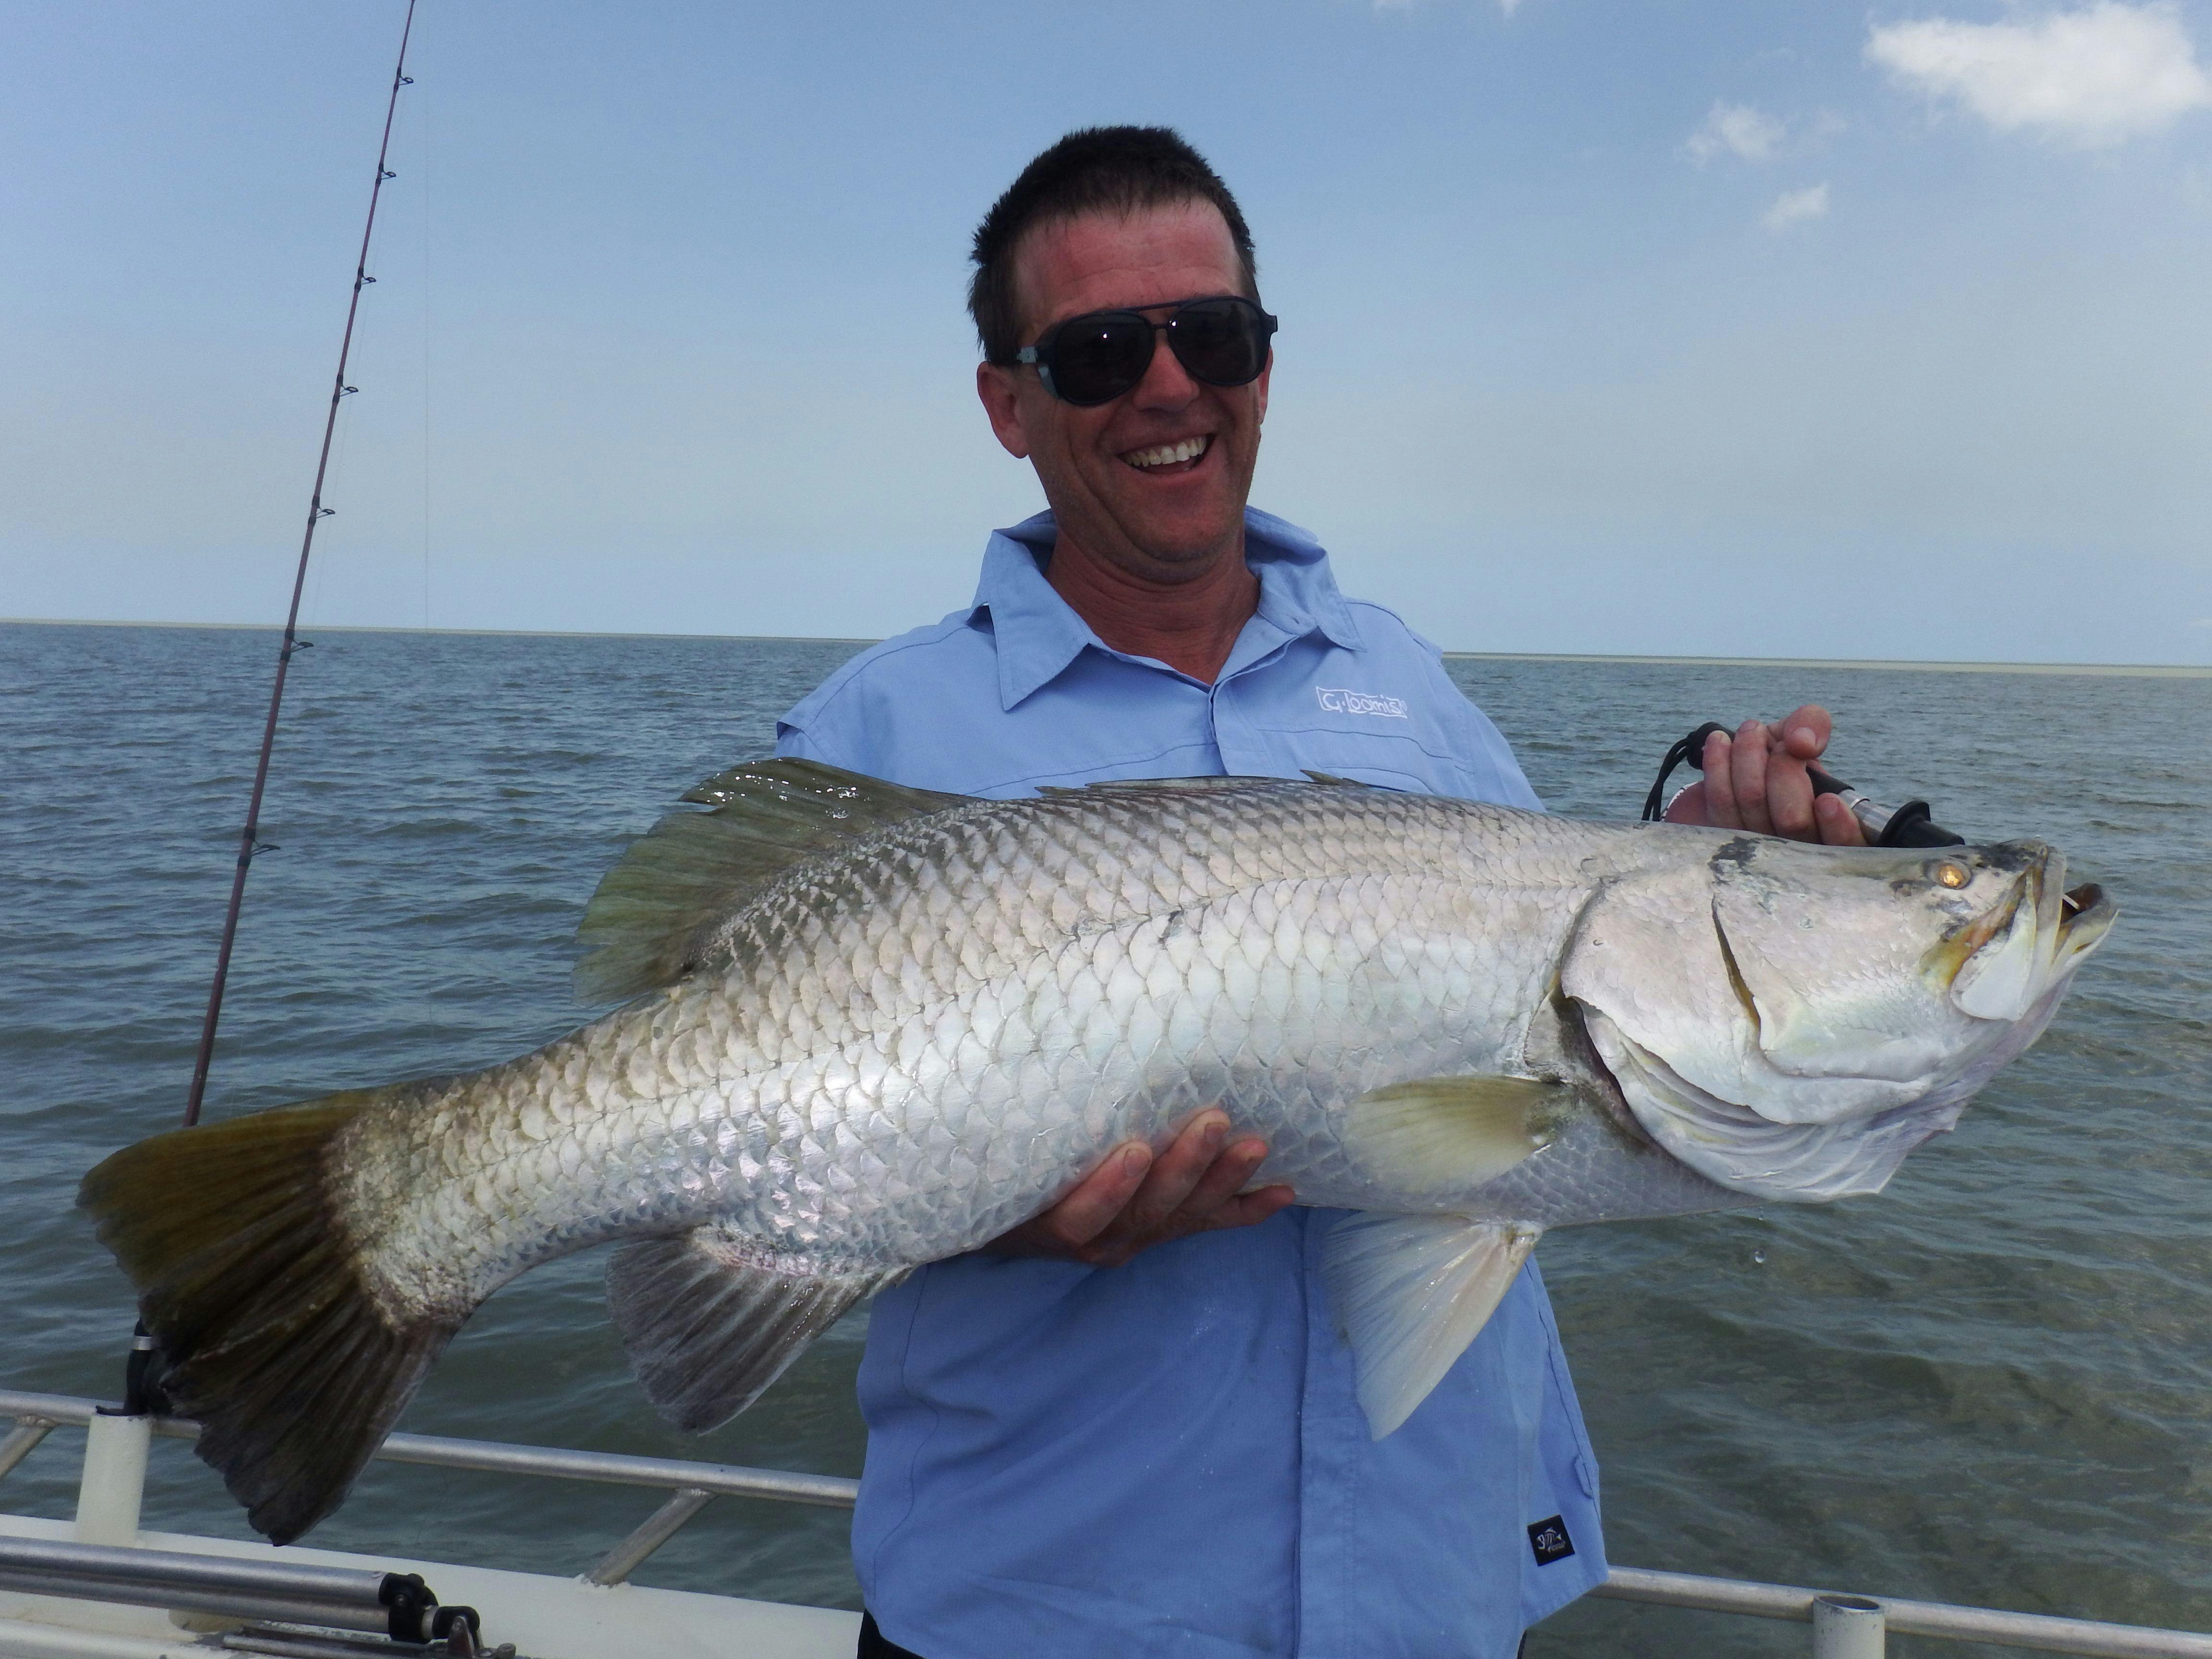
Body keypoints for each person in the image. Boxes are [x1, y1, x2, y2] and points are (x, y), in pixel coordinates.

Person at [775, 126, 1866, 1659]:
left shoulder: (1408, 682)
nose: (1169, 386)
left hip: (1433, 1598)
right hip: (1041, 1612)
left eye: (1211, 336)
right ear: (1009, 405)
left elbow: (1532, 1016)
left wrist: (1701, 874)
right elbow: (759, 1129)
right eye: (1098, 354)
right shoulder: (876, 731)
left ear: (1266, 368)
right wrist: (1004, 1216)